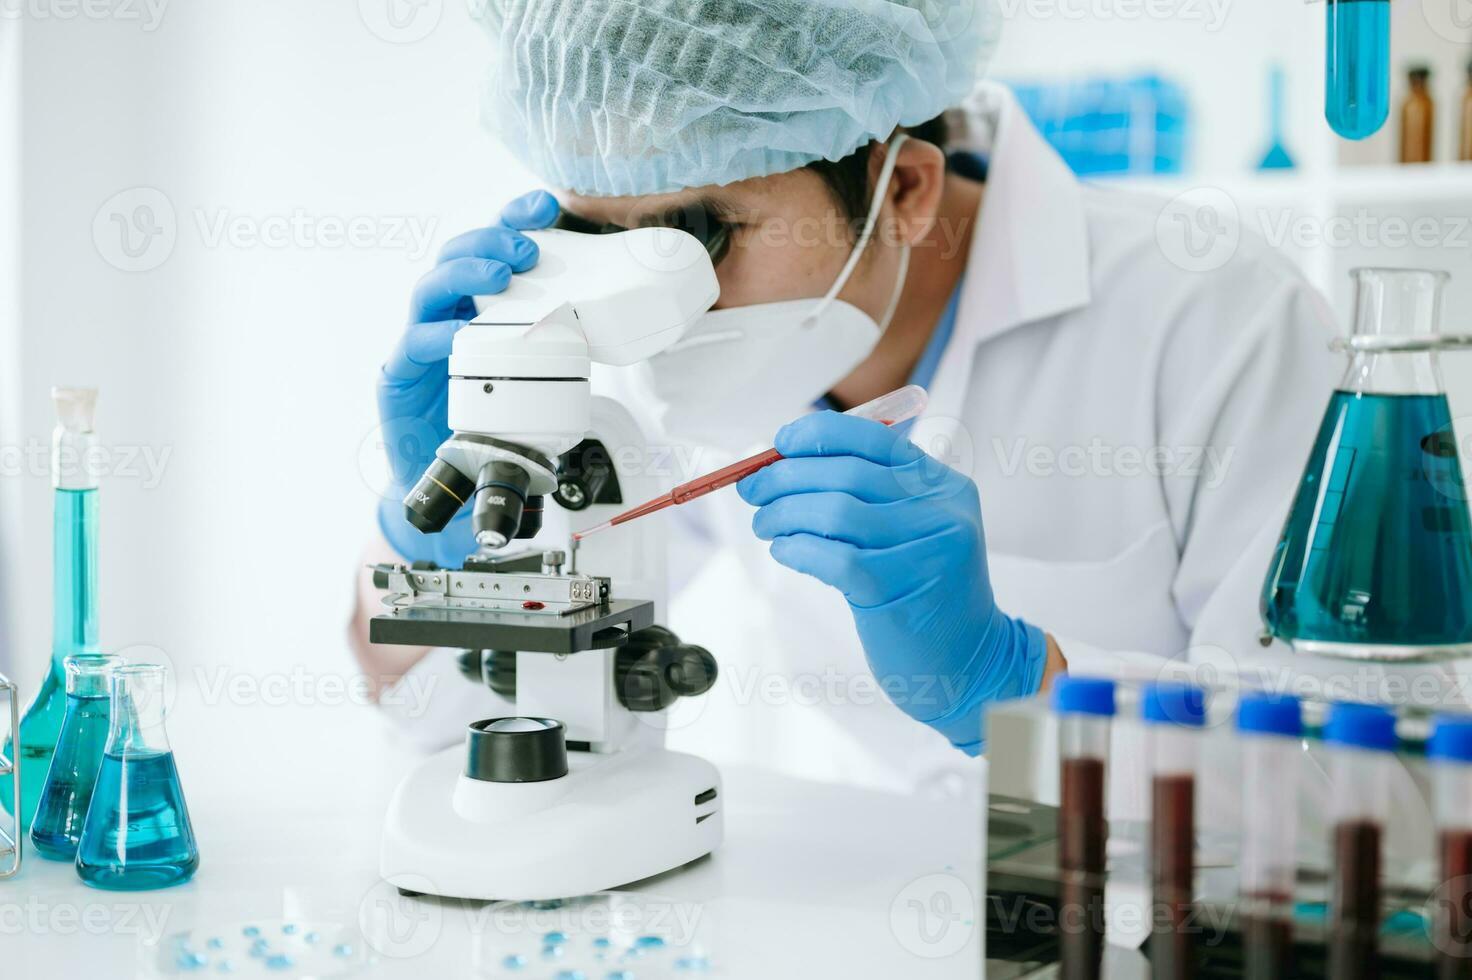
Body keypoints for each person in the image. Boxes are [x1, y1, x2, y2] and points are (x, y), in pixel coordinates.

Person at [350, 0, 1340, 795]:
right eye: (596, 234)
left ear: (903, 190)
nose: (647, 299)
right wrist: (434, 551)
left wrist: (1014, 679)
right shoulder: (657, 346)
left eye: (700, 232)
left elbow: (1358, 781)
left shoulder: (1216, 317)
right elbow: (426, 716)